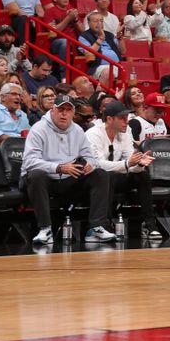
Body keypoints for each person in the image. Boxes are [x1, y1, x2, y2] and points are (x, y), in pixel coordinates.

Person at [21, 94, 115, 245]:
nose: (64, 113)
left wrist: (90, 165)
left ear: (73, 113)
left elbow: (91, 157)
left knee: (100, 174)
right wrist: (58, 168)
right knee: (36, 174)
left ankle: (96, 227)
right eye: (60, 109)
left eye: (68, 110)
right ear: (52, 110)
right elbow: (30, 162)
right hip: (43, 180)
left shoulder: (77, 130)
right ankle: (45, 229)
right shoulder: (38, 129)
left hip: (67, 180)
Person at [85, 100, 161, 240]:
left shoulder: (126, 133)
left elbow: (130, 162)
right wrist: (127, 164)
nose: (126, 122)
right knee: (108, 175)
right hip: (96, 179)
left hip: (119, 176)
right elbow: (98, 164)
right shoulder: (93, 134)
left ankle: (150, 225)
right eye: (122, 118)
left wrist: (139, 164)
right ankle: (105, 225)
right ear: (109, 119)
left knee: (142, 176)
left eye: (127, 118)